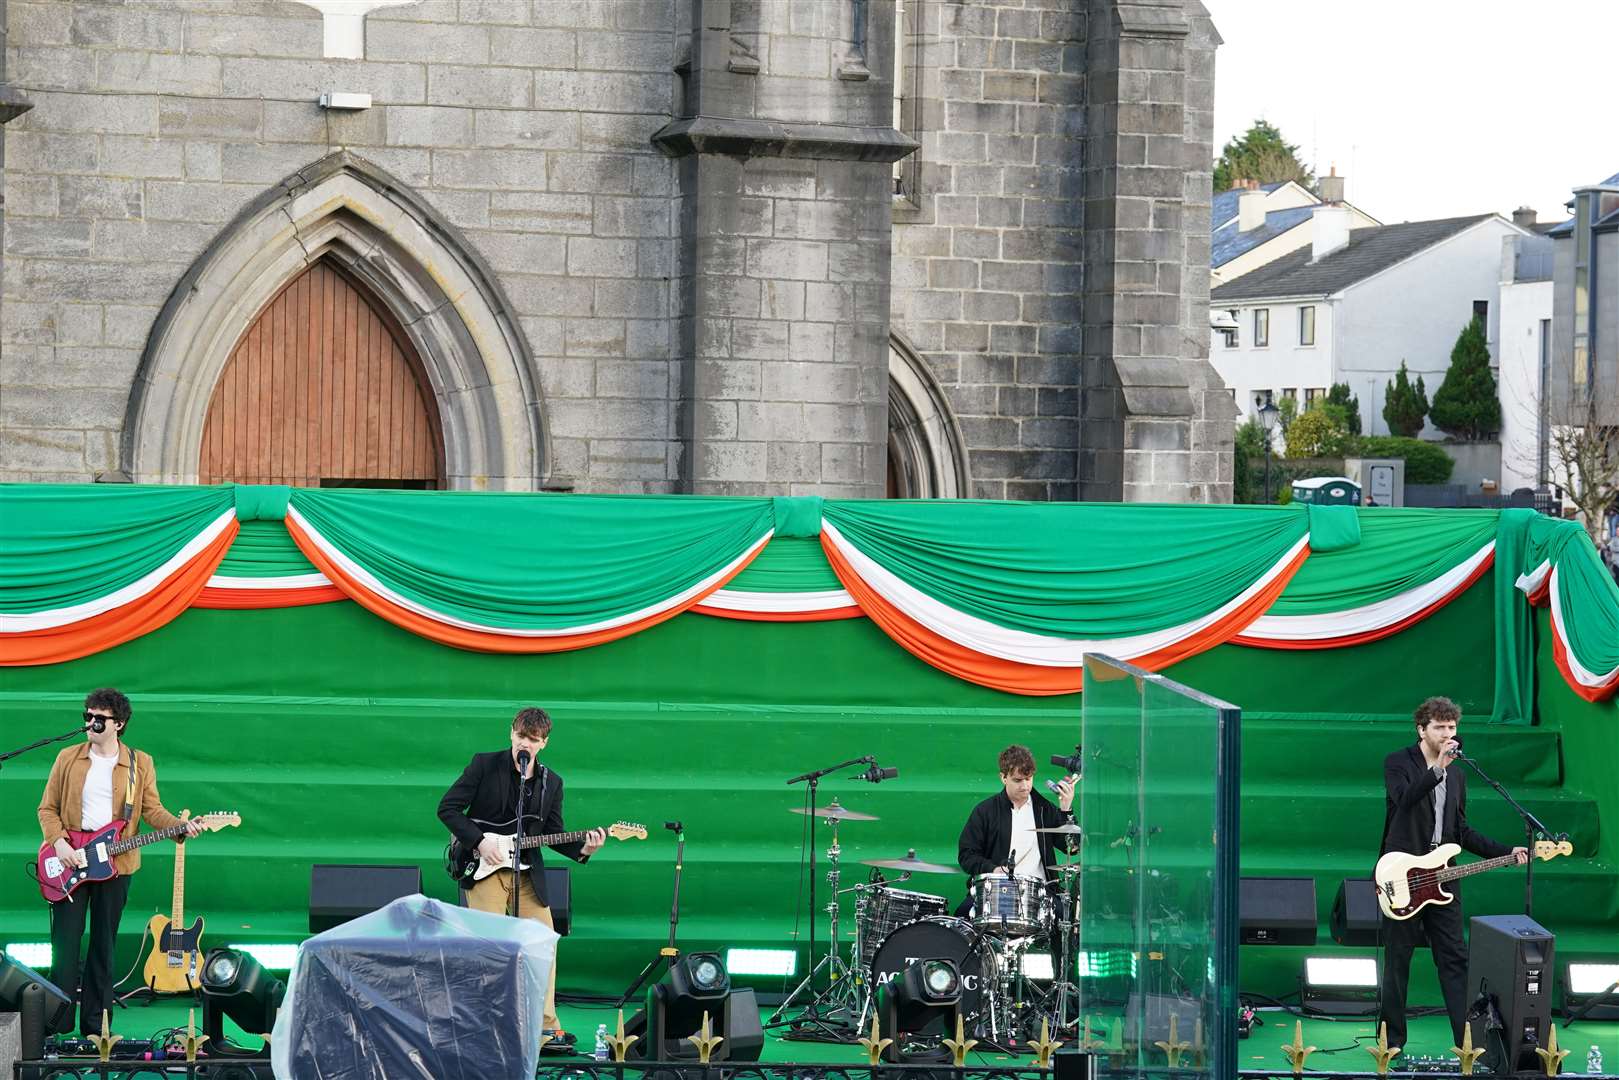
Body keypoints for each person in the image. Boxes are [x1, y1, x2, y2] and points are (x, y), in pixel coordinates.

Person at [37, 688, 203, 1036]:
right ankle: (56, 1024)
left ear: (120, 724)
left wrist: (179, 827)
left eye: (99, 718)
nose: (91, 723)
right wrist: (60, 843)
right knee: (64, 946)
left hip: (116, 864)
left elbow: (152, 810)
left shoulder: (139, 764)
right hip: (70, 859)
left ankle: (97, 1026)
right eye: (87, 716)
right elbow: (47, 809)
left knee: (103, 945)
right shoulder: (68, 757)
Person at [438, 707, 604, 1047]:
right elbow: (448, 809)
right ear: (511, 734)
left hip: (526, 875)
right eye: (520, 737)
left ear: (544, 743)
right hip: (484, 869)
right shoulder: (484, 765)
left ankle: (545, 1029)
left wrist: (585, 849)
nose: (524, 744)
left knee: (544, 943)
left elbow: (554, 832)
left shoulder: (551, 783)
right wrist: (481, 842)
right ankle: (482, 1027)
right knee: (487, 948)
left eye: (533, 739)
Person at [1378, 696, 1527, 1050]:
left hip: (1443, 877)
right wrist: (1437, 771)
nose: (1448, 734)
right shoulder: (1399, 762)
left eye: (1452, 728)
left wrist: (1507, 851)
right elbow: (1404, 800)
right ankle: (1391, 1042)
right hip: (1402, 874)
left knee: (1455, 958)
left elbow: (1461, 832)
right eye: (1440, 728)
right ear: (1422, 730)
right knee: (1398, 959)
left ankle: (1466, 1042)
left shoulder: (1458, 774)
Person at [958, 744, 1077, 895]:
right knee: (963, 912)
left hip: (1039, 895)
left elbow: (1072, 848)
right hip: (995, 891)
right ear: (1003, 778)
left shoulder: (1044, 809)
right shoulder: (985, 811)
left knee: (1062, 914)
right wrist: (993, 869)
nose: (1025, 786)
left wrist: (1066, 809)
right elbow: (966, 855)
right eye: (1018, 780)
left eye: (1029, 779)